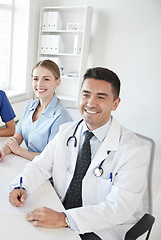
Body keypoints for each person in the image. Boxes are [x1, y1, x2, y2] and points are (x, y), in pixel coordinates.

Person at [8, 67, 149, 240]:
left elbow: (120, 207)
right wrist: (22, 185)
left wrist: (65, 218)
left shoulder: (134, 149)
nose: (90, 103)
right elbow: (40, 165)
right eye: (86, 94)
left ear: (115, 103)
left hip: (104, 227)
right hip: (62, 211)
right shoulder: (66, 132)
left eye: (101, 97)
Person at [0, 60, 72, 162]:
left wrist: (18, 151)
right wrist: (2, 152)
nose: (39, 84)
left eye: (46, 79)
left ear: (57, 82)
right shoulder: (30, 107)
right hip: (27, 163)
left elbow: (51, 159)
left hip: (47, 173)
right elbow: (17, 138)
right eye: (35, 79)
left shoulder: (61, 118)